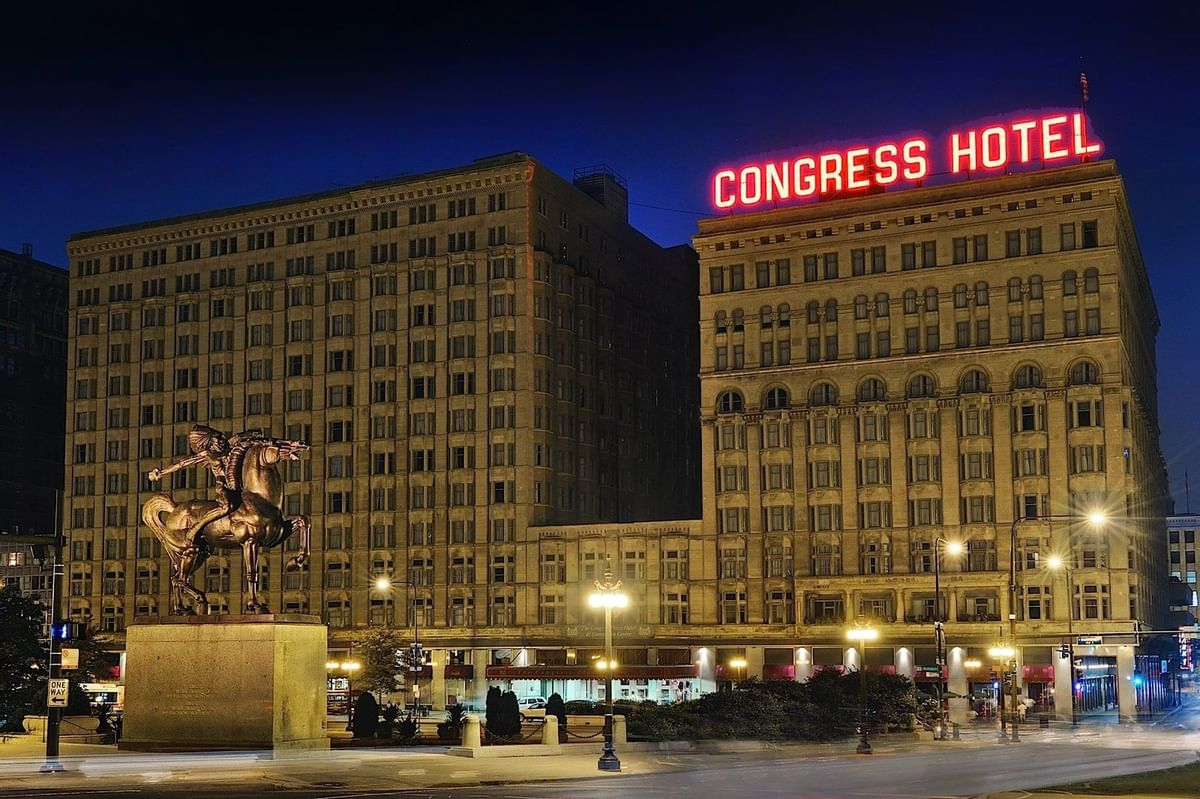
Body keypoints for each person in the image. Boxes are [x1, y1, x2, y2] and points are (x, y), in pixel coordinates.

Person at [148, 425, 242, 545]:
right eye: (216, 438)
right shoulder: (207, 454)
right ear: (209, 441)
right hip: (223, 485)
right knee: (226, 507)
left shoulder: (230, 447)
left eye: (220, 437)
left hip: (238, 484)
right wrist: (162, 473)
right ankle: (196, 528)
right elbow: (183, 463)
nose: (221, 440)